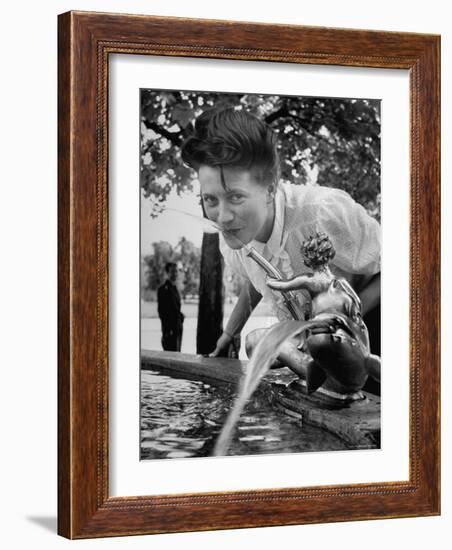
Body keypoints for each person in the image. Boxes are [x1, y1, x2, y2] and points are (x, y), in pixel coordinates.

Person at [181, 106, 381, 372]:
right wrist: (231, 332)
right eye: (210, 199)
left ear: (270, 187)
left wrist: (342, 322)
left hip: (375, 335)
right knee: (258, 345)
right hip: (317, 345)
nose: (223, 216)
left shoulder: (323, 214)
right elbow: (257, 276)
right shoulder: (234, 235)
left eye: (236, 197)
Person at [157, 262, 184, 352]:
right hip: (170, 331)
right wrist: (168, 331)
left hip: (177, 329)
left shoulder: (175, 288)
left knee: (177, 354)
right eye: (172, 271)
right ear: (167, 273)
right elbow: (162, 312)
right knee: (170, 356)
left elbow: (176, 308)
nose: (175, 274)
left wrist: (181, 317)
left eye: (176, 271)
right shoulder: (163, 289)